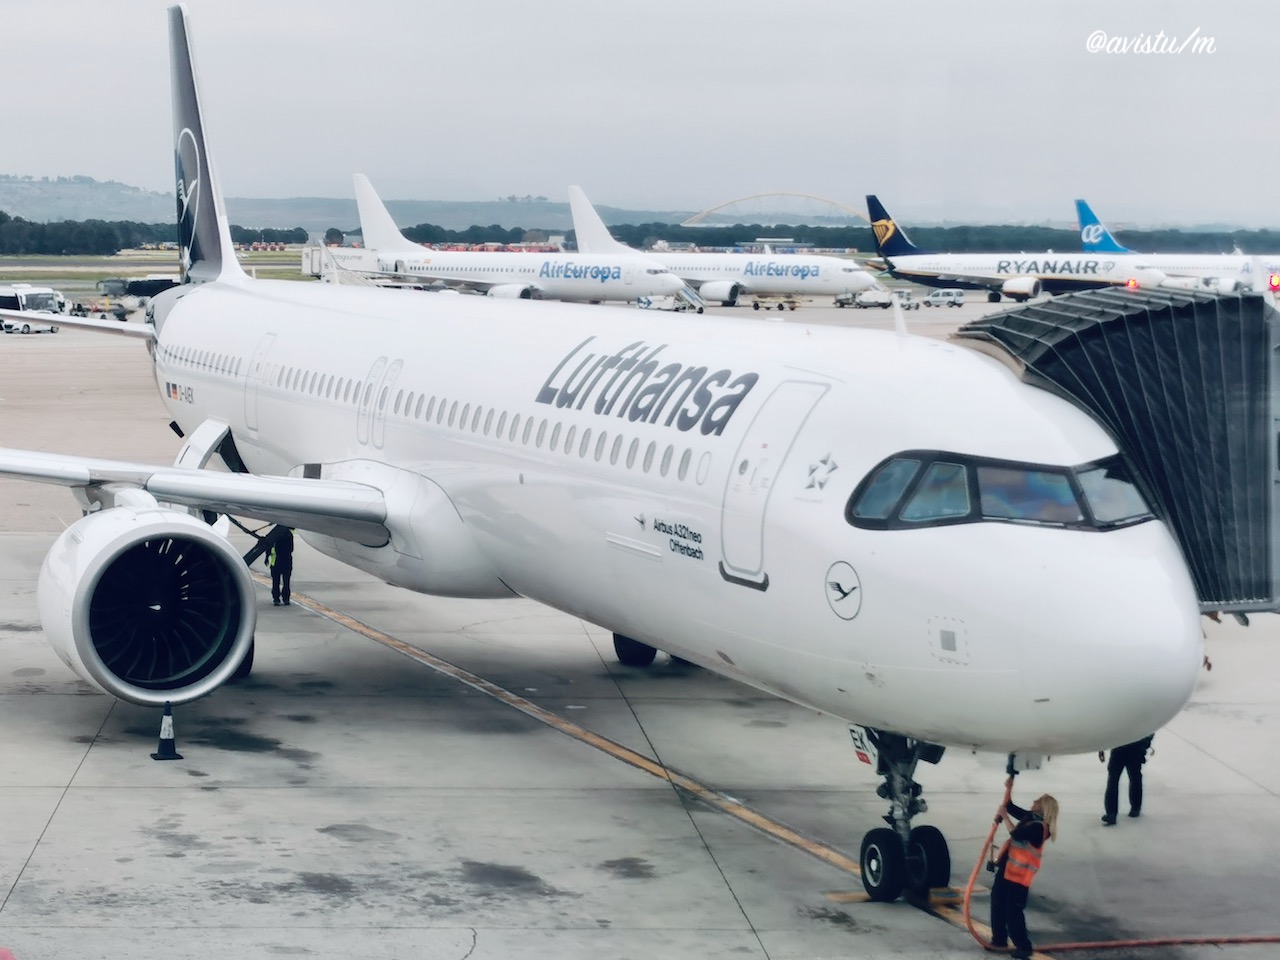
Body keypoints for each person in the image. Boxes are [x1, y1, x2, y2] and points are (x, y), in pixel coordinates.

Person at [990, 778, 1058, 960]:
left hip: (1019, 877)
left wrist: (1003, 817)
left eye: (1038, 800)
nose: (1034, 801)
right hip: (1007, 869)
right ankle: (999, 939)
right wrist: (1009, 788)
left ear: (1043, 807)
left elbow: (1016, 833)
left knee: (1013, 911)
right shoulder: (1031, 818)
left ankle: (1023, 945)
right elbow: (1010, 806)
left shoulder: (1039, 828)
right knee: (997, 902)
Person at [1099, 734, 1154, 824]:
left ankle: (1120, 811)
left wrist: (1144, 744)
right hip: (1125, 748)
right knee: (1117, 780)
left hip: (1131, 748)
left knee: (1124, 779)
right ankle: (1116, 812)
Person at [266, 526, 294, 606]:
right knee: (286, 581)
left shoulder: (276, 535)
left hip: (276, 562)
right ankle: (286, 598)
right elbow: (291, 549)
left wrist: (267, 557)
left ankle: (276, 598)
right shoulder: (289, 535)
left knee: (276, 581)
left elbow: (269, 546)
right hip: (286, 560)